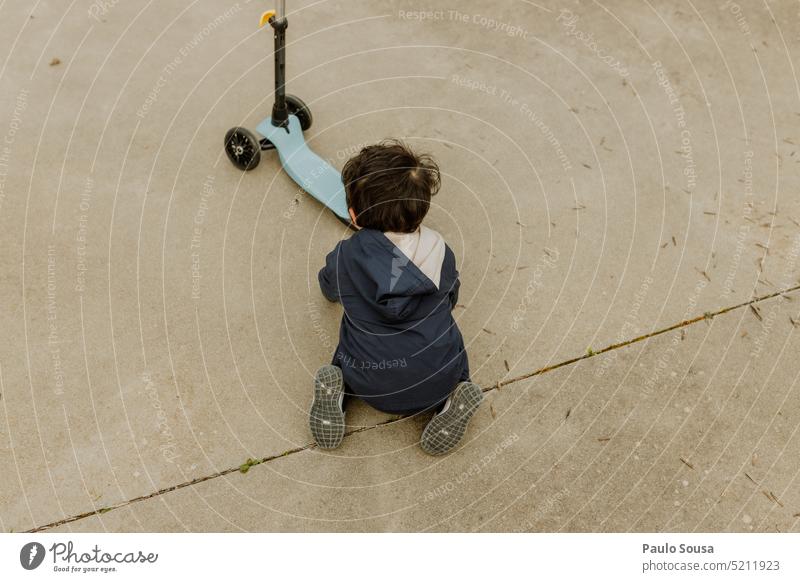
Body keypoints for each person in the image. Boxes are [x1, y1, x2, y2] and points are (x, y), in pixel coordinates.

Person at [310, 140, 482, 455]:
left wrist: (332, 287)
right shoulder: (442, 253)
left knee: (354, 332)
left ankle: (340, 391)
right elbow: (450, 299)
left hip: (367, 382)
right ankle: (454, 395)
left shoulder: (346, 256)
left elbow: (329, 287)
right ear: (421, 210)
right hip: (435, 380)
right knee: (449, 336)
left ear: (353, 215)